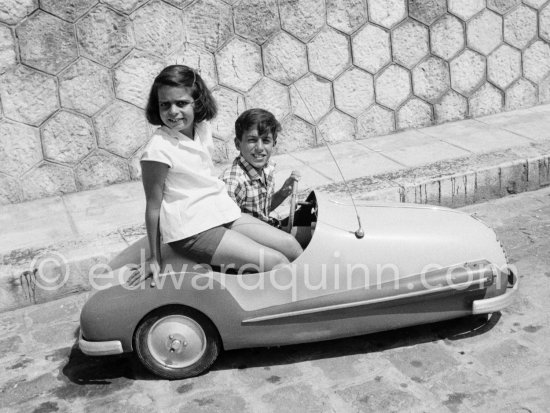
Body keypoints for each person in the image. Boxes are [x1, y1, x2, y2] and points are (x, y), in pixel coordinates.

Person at [127, 65, 302, 287]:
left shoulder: (201, 129)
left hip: (221, 211)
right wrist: (154, 257)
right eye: (165, 104)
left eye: (181, 103)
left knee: (291, 246)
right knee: (277, 262)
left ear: (197, 102)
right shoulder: (157, 150)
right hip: (192, 229)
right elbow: (153, 206)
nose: (172, 111)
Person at [221, 108, 300, 228]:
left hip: (266, 227)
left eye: (266, 140)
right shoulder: (233, 183)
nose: (259, 148)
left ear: (274, 144)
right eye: (252, 140)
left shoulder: (267, 169)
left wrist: (282, 194)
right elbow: (229, 229)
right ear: (238, 144)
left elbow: (262, 212)